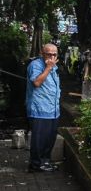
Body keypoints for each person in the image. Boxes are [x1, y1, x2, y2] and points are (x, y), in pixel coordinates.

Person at [26, 43, 61, 172]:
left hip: (53, 111)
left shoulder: (54, 66)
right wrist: (48, 68)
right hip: (39, 109)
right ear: (42, 53)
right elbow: (36, 82)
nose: (52, 57)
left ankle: (45, 162)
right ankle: (35, 164)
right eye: (49, 54)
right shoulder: (36, 65)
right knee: (39, 140)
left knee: (49, 139)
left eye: (54, 54)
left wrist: (51, 67)